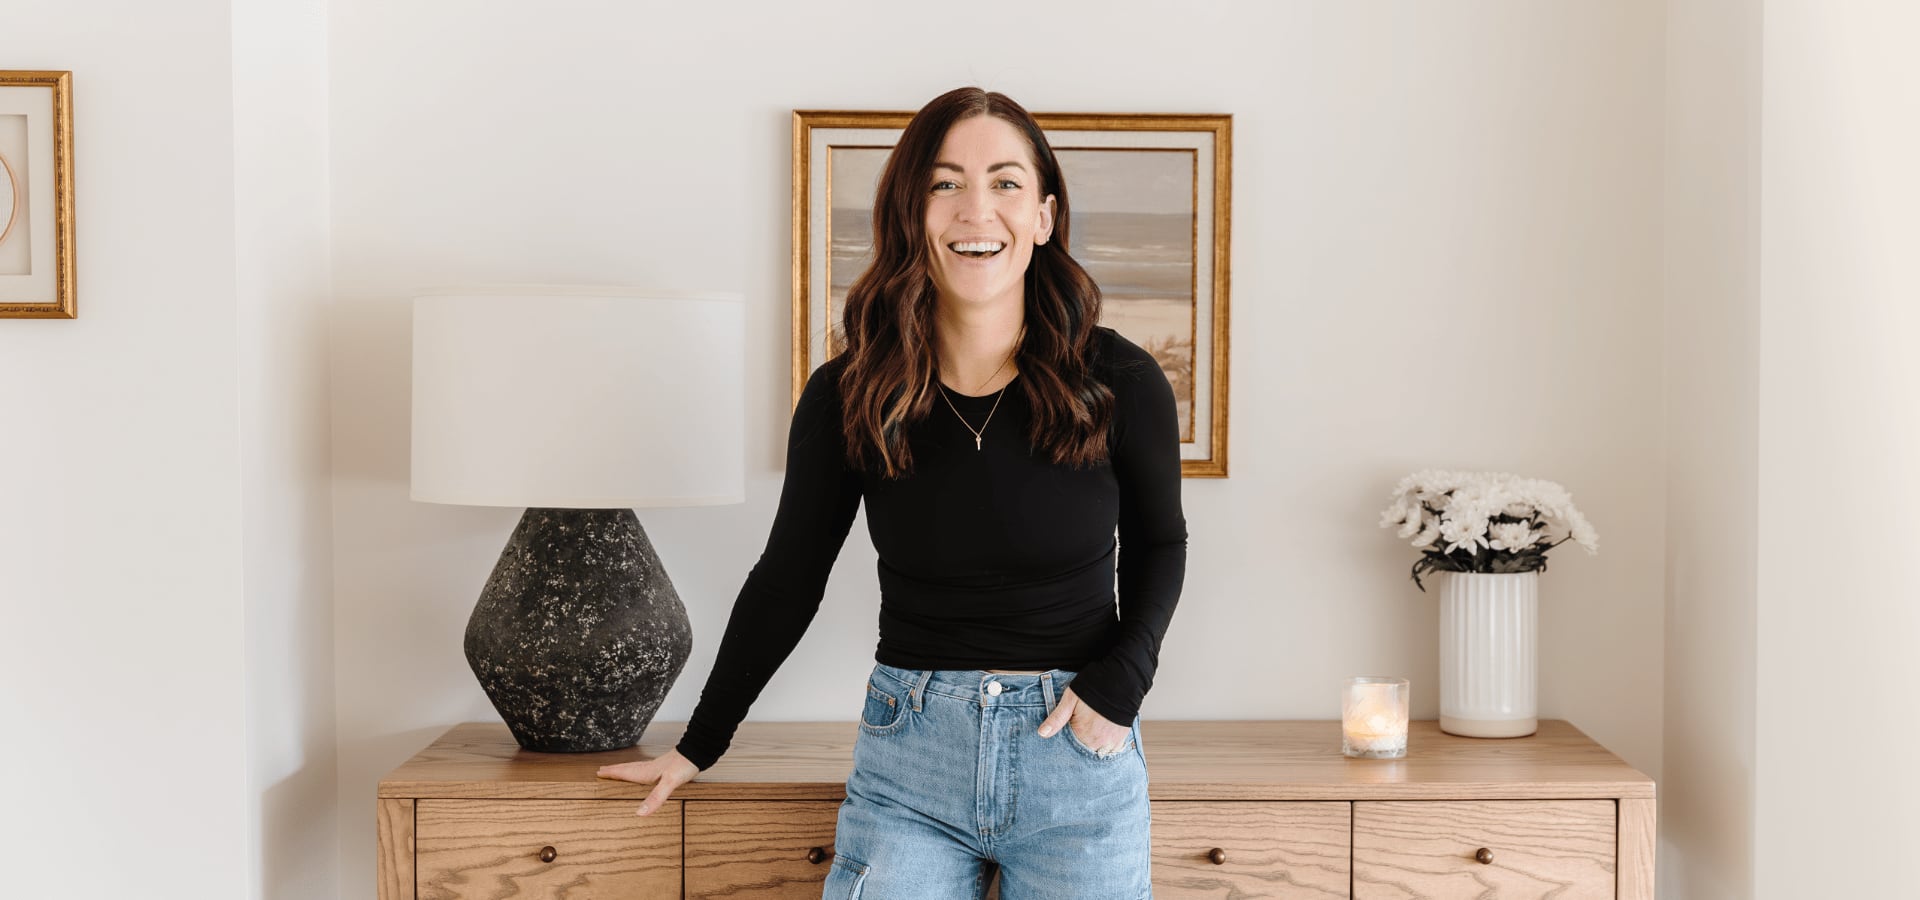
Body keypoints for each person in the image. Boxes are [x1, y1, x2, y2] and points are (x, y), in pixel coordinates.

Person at [597, 86, 1187, 900]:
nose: (976, 209)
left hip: (1076, 751)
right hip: (911, 753)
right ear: (912, 212)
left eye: (1006, 183)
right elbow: (788, 577)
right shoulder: (849, 392)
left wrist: (1122, 682)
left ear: (1045, 216)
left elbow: (1163, 542)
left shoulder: (1119, 379)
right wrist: (700, 743)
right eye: (945, 184)